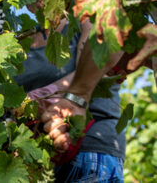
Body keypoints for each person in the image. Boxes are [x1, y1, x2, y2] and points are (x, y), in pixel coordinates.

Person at [14, 16, 126, 182]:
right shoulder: (14, 44)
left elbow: (99, 59)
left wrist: (38, 97)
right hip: (39, 160)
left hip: (90, 148)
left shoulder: (84, 21)